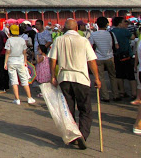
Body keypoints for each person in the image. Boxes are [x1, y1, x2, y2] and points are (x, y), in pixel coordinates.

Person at [48, 19, 101, 150]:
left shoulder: (59, 40)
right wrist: (97, 78)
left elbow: (52, 59)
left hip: (65, 77)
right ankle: (82, 135)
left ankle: (72, 135)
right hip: (81, 77)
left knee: (68, 110)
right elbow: (92, 61)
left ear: (65, 29)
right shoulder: (84, 41)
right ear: (77, 28)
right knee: (85, 109)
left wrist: (53, 76)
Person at [89, 17, 120, 102]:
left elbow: (90, 46)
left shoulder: (93, 34)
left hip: (99, 58)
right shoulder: (111, 34)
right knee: (113, 76)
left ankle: (105, 96)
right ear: (106, 24)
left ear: (97, 24)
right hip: (110, 57)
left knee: (101, 77)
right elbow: (116, 46)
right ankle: (116, 95)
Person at [4, 24, 35, 105]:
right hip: (20, 61)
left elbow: (7, 52)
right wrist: (25, 61)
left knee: (14, 81)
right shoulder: (22, 40)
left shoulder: (9, 40)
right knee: (24, 80)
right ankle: (29, 97)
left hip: (11, 61)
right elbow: (24, 52)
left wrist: (5, 62)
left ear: (10, 32)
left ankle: (17, 99)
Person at [110, 17, 136, 99]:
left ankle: (122, 92)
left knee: (119, 75)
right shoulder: (124, 31)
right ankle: (134, 93)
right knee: (131, 75)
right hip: (127, 55)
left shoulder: (111, 32)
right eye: (124, 22)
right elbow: (133, 37)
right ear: (120, 23)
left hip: (116, 55)